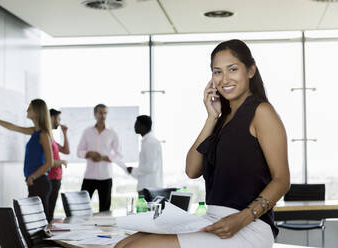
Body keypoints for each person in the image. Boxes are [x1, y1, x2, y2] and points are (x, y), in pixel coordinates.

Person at [115, 39, 290, 248]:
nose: (224, 79)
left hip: (249, 227)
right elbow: (191, 169)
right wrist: (211, 118)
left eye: (232, 69)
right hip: (213, 219)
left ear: (251, 70)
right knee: (125, 243)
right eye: (217, 72)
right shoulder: (222, 118)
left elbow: (282, 180)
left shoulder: (261, 112)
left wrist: (243, 218)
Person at [0, 99, 54, 218]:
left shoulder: (43, 135)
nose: (27, 110)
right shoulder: (34, 132)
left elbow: (50, 163)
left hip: (40, 183)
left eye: (30, 108)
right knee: (34, 220)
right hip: (34, 183)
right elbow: (11, 127)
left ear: (37, 112)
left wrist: (33, 176)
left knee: (39, 222)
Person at [77, 104, 122, 212]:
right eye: (100, 112)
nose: (103, 115)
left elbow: (119, 154)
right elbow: (79, 152)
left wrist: (105, 157)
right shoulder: (87, 132)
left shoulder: (112, 132)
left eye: (105, 113)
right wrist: (89, 153)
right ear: (95, 114)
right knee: (82, 208)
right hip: (89, 176)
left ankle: (104, 229)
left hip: (105, 177)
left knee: (105, 210)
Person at [127, 115, 163, 195]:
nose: (134, 126)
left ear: (143, 126)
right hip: (147, 188)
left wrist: (133, 170)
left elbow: (151, 167)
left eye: (137, 124)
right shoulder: (147, 142)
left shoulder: (150, 142)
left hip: (149, 189)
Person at [48, 108, 70, 221]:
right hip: (50, 178)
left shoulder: (51, 137)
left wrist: (65, 133)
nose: (59, 122)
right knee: (48, 213)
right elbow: (47, 161)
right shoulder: (45, 136)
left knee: (50, 212)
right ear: (52, 118)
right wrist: (61, 162)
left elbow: (66, 150)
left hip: (56, 178)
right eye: (58, 119)